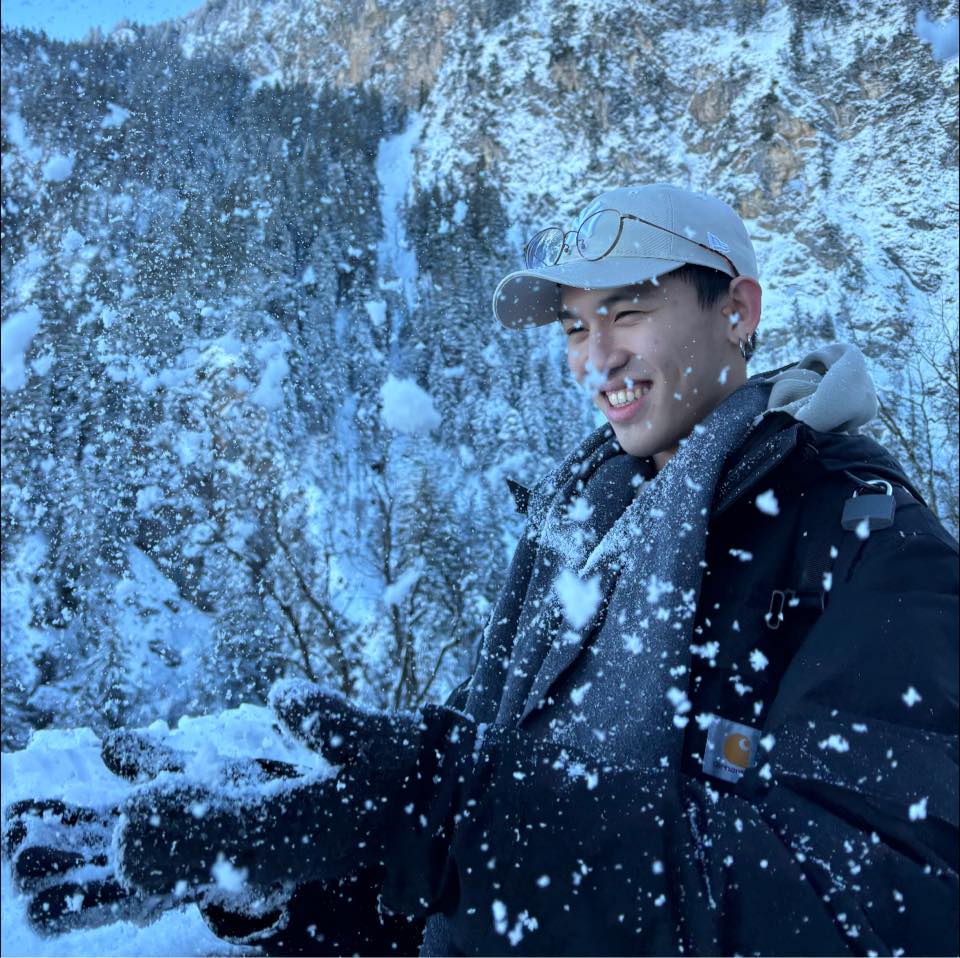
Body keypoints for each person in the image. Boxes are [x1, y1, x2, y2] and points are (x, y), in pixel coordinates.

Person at [5, 184, 958, 956]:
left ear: (737, 310)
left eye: (628, 312)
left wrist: (457, 820)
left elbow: (882, 901)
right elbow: (473, 880)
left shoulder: (868, 545)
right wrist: (297, 866)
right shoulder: (589, 522)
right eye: (575, 328)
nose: (597, 359)